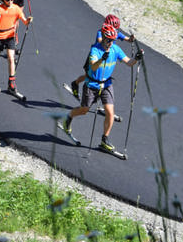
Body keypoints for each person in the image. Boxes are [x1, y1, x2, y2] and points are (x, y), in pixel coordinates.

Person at [59, 24, 143, 154]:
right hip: (92, 85)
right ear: (103, 37)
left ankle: (104, 140)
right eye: (108, 40)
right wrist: (101, 60)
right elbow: (92, 67)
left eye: (112, 40)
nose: (110, 43)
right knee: (84, 110)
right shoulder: (95, 50)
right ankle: (69, 117)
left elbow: (129, 63)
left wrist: (136, 59)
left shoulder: (115, 49)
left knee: (110, 112)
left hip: (107, 85)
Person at [66, 14, 134, 99]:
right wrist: (109, 38)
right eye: (113, 28)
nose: (115, 31)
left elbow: (127, 39)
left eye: (116, 29)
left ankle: (103, 100)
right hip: (96, 56)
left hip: (108, 57)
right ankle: (76, 84)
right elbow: (100, 40)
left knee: (103, 78)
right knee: (89, 76)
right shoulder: (100, 32)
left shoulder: (116, 33)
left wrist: (131, 39)